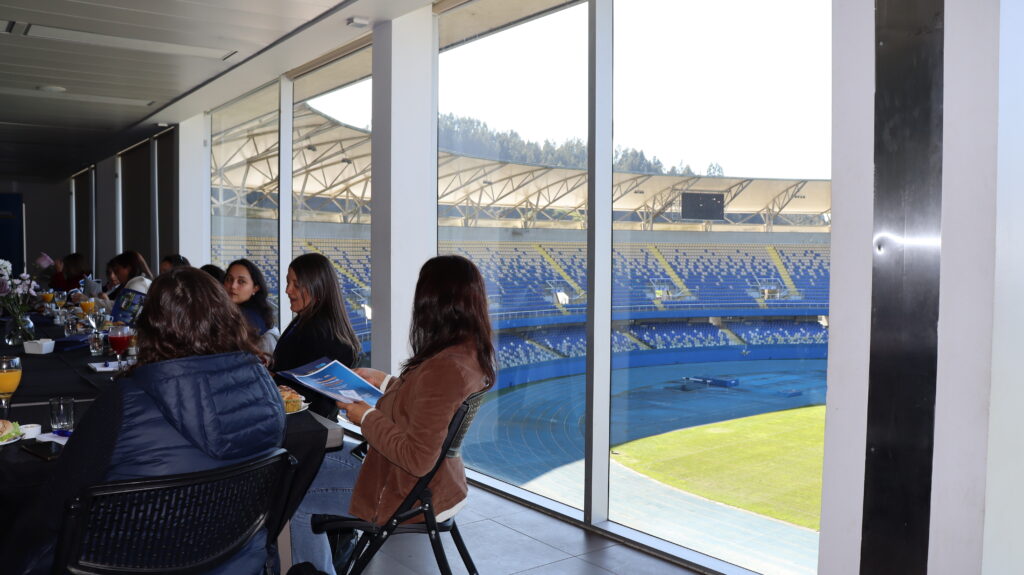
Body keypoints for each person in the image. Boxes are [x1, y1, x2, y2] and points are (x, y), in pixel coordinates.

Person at [7, 267, 286, 575]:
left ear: (150, 327)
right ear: (227, 317)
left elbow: (57, 505)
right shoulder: (266, 392)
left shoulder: (124, 403)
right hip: (234, 561)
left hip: (124, 564)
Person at [289, 255, 495, 573]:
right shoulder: (465, 353)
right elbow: (427, 403)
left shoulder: (445, 368)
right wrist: (384, 382)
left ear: (432, 301)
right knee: (307, 460)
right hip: (423, 480)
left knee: (295, 494)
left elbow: (417, 457)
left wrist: (366, 417)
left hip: (405, 491)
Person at [272, 253, 361, 420]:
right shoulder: (308, 323)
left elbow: (298, 392)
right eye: (288, 282)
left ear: (318, 287)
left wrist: (270, 376)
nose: (287, 290)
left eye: (296, 285)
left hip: (305, 427)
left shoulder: (319, 332)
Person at [224, 258, 280, 353]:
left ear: (255, 288)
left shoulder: (249, 319)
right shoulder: (232, 312)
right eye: (229, 279)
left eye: (241, 281)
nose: (233, 286)